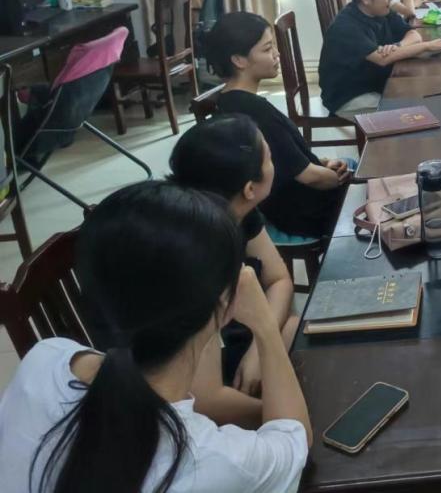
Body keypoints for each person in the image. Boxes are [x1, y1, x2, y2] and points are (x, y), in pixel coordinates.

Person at [0, 181, 311, 493]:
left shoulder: (44, 359)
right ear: (226, 303)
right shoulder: (217, 461)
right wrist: (265, 328)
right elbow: (294, 437)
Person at [169, 115, 298, 427]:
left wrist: (260, 349)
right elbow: (207, 401)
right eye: (269, 157)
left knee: (298, 326)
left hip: (241, 343)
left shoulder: (236, 210)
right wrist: (289, 418)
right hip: (201, 394)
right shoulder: (193, 256)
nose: (274, 163)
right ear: (250, 187)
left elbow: (279, 279)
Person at [205, 12, 351, 238]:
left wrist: (323, 163)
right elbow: (310, 177)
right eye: (267, 49)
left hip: (286, 201)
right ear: (239, 60)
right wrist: (345, 178)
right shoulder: (255, 112)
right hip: (304, 210)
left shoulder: (228, 100)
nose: (277, 53)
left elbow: (286, 158)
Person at [319, 0, 441, 116]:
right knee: (408, 111)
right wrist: (426, 46)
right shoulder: (346, 26)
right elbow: (381, 59)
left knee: (422, 96)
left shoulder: (381, 10)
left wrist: (397, 46)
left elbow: (414, 35)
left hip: (374, 82)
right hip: (349, 96)